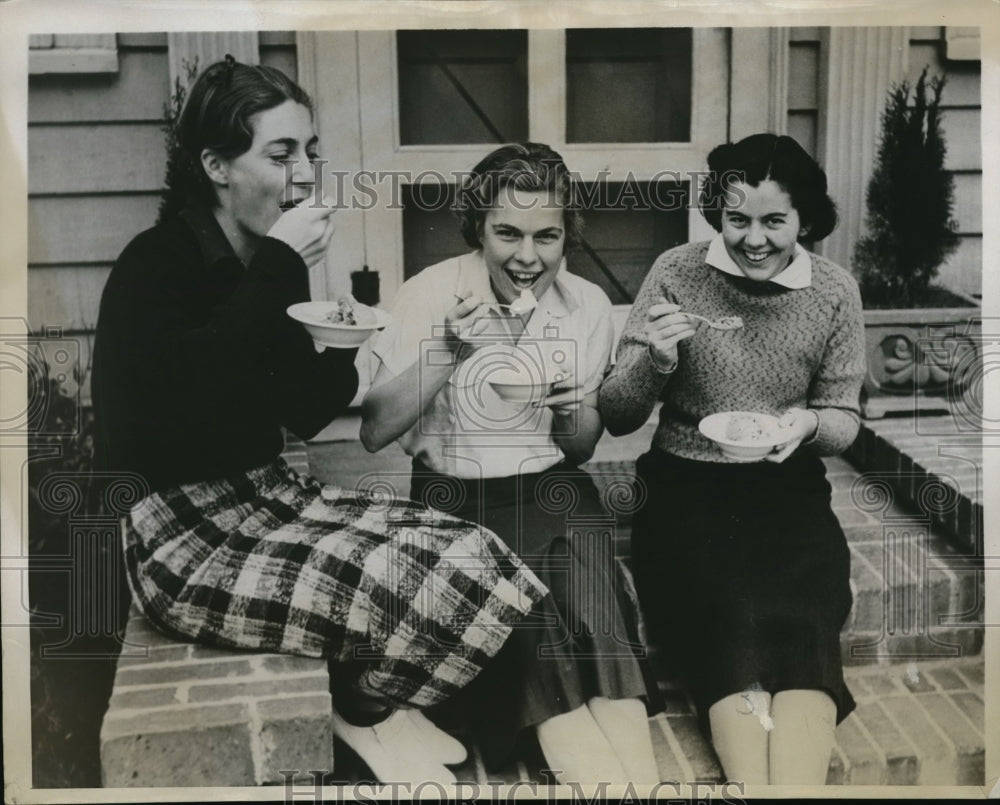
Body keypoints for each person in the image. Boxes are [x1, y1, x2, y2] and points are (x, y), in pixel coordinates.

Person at [91, 58, 549, 786]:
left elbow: (304, 409)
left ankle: (366, 700)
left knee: (472, 551)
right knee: (406, 578)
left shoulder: (272, 266)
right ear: (214, 164)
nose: (305, 175)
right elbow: (178, 408)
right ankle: (365, 713)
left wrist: (339, 338)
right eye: (280, 154)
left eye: (309, 151)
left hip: (267, 492)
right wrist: (278, 265)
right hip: (180, 533)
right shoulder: (155, 268)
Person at [360, 142, 662, 785]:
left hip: (555, 493)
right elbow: (374, 428)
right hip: (457, 503)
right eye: (508, 233)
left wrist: (569, 403)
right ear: (478, 228)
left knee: (595, 619)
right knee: (538, 629)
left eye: (547, 236)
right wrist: (447, 348)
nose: (528, 257)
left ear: (567, 234)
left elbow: (579, 449)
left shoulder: (584, 307)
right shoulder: (433, 291)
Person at [598, 132, 866, 785]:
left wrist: (806, 424)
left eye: (774, 221)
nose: (753, 238)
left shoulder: (834, 291)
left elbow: (844, 418)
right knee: (727, 617)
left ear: (806, 219)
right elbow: (616, 412)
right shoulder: (677, 271)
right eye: (737, 218)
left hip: (787, 486)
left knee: (804, 624)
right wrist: (653, 361)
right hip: (685, 487)